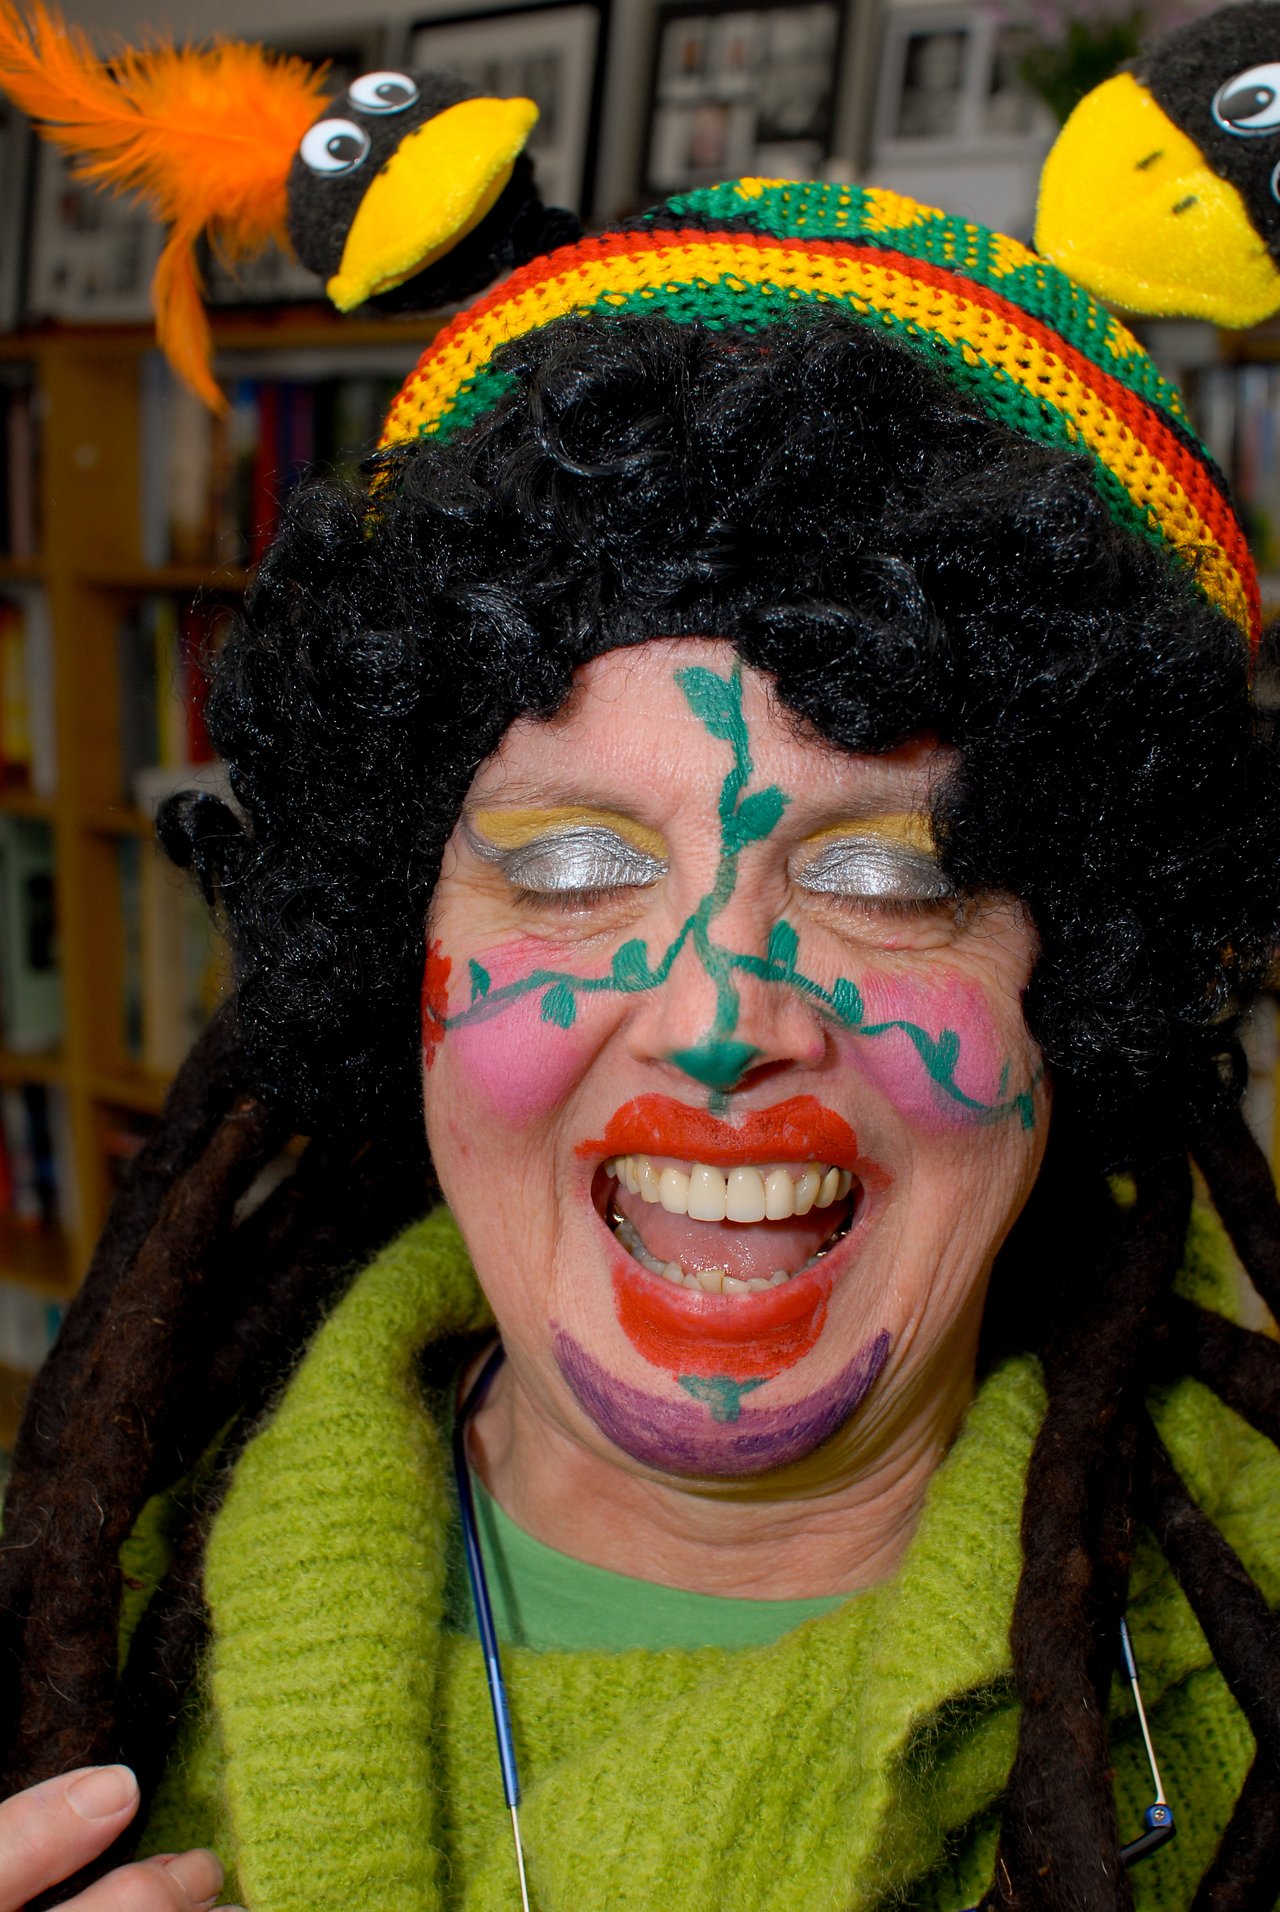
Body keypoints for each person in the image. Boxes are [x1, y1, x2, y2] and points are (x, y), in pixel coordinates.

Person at [2, 177, 1280, 1912]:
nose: (714, 1022)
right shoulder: (69, 1636)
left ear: (1081, 986)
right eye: (576, 866)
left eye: (895, 877)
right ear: (404, 947)